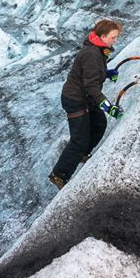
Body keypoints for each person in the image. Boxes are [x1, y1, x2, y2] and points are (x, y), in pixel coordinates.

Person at [49, 19, 124, 190]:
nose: (115, 41)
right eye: (113, 37)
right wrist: (106, 105)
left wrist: (106, 73)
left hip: (86, 98)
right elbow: (90, 84)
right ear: (103, 36)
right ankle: (59, 175)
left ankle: (82, 154)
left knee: (99, 124)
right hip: (75, 99)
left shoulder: (97, 49)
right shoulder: (91, 54)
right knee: (79, 139)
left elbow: (92, 74)